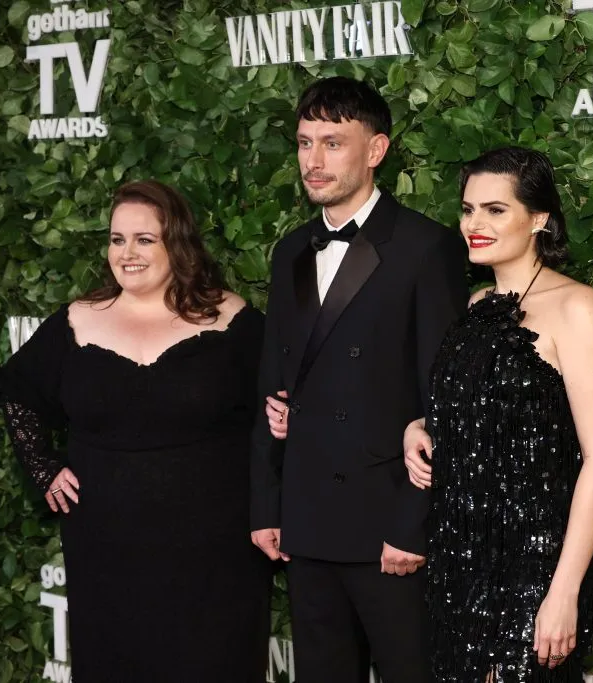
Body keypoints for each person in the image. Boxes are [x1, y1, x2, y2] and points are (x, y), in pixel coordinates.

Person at [0, 180, 271, 682]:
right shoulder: (78, 320)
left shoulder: (233, 321)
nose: (127, 253)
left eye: (144, 239)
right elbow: (18, 392)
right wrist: (44, 467)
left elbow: (283, 406)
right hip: (106, 549)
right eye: (117, 239)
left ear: (177, 243)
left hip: (215, 552)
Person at [249, 76, 469, 683]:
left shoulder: (426, 249)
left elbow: (444, 400)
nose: (313, 161)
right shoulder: (290, 250)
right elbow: (274, 383)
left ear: (376, 151)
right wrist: (268, 506)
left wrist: (412, 525)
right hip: (308, 522)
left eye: (332, 143)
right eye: (303, 143)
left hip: (386, 529)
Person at [403, 147, 593, 682]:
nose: (475, 224)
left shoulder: (578, 307)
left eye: (496, 210)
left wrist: (562, 592)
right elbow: (480, 413)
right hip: (459, 558)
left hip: (534, 563)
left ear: (539, 218)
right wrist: (420, 428)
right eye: (468, 209)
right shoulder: (477, 306)